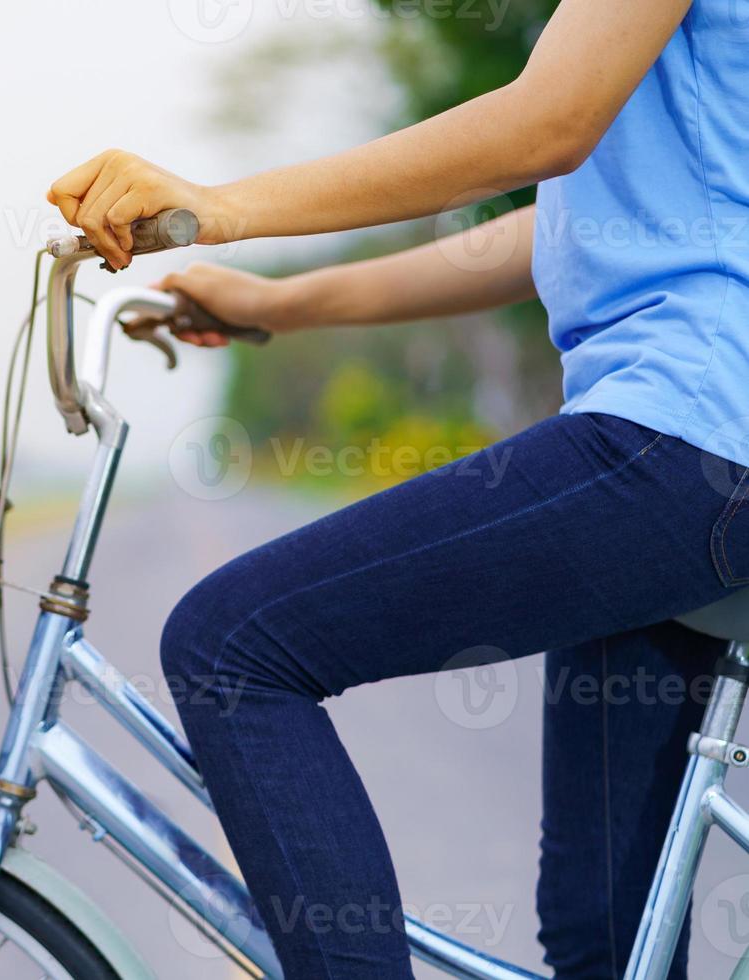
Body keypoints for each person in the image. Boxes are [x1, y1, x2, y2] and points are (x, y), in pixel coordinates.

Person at [48, 0, 749, 976]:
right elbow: (561, 227)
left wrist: (218, 204)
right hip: (694, 458)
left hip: (687, 435)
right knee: (604, 938)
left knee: (235, 644)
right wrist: (280, 300)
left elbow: (546, 122)